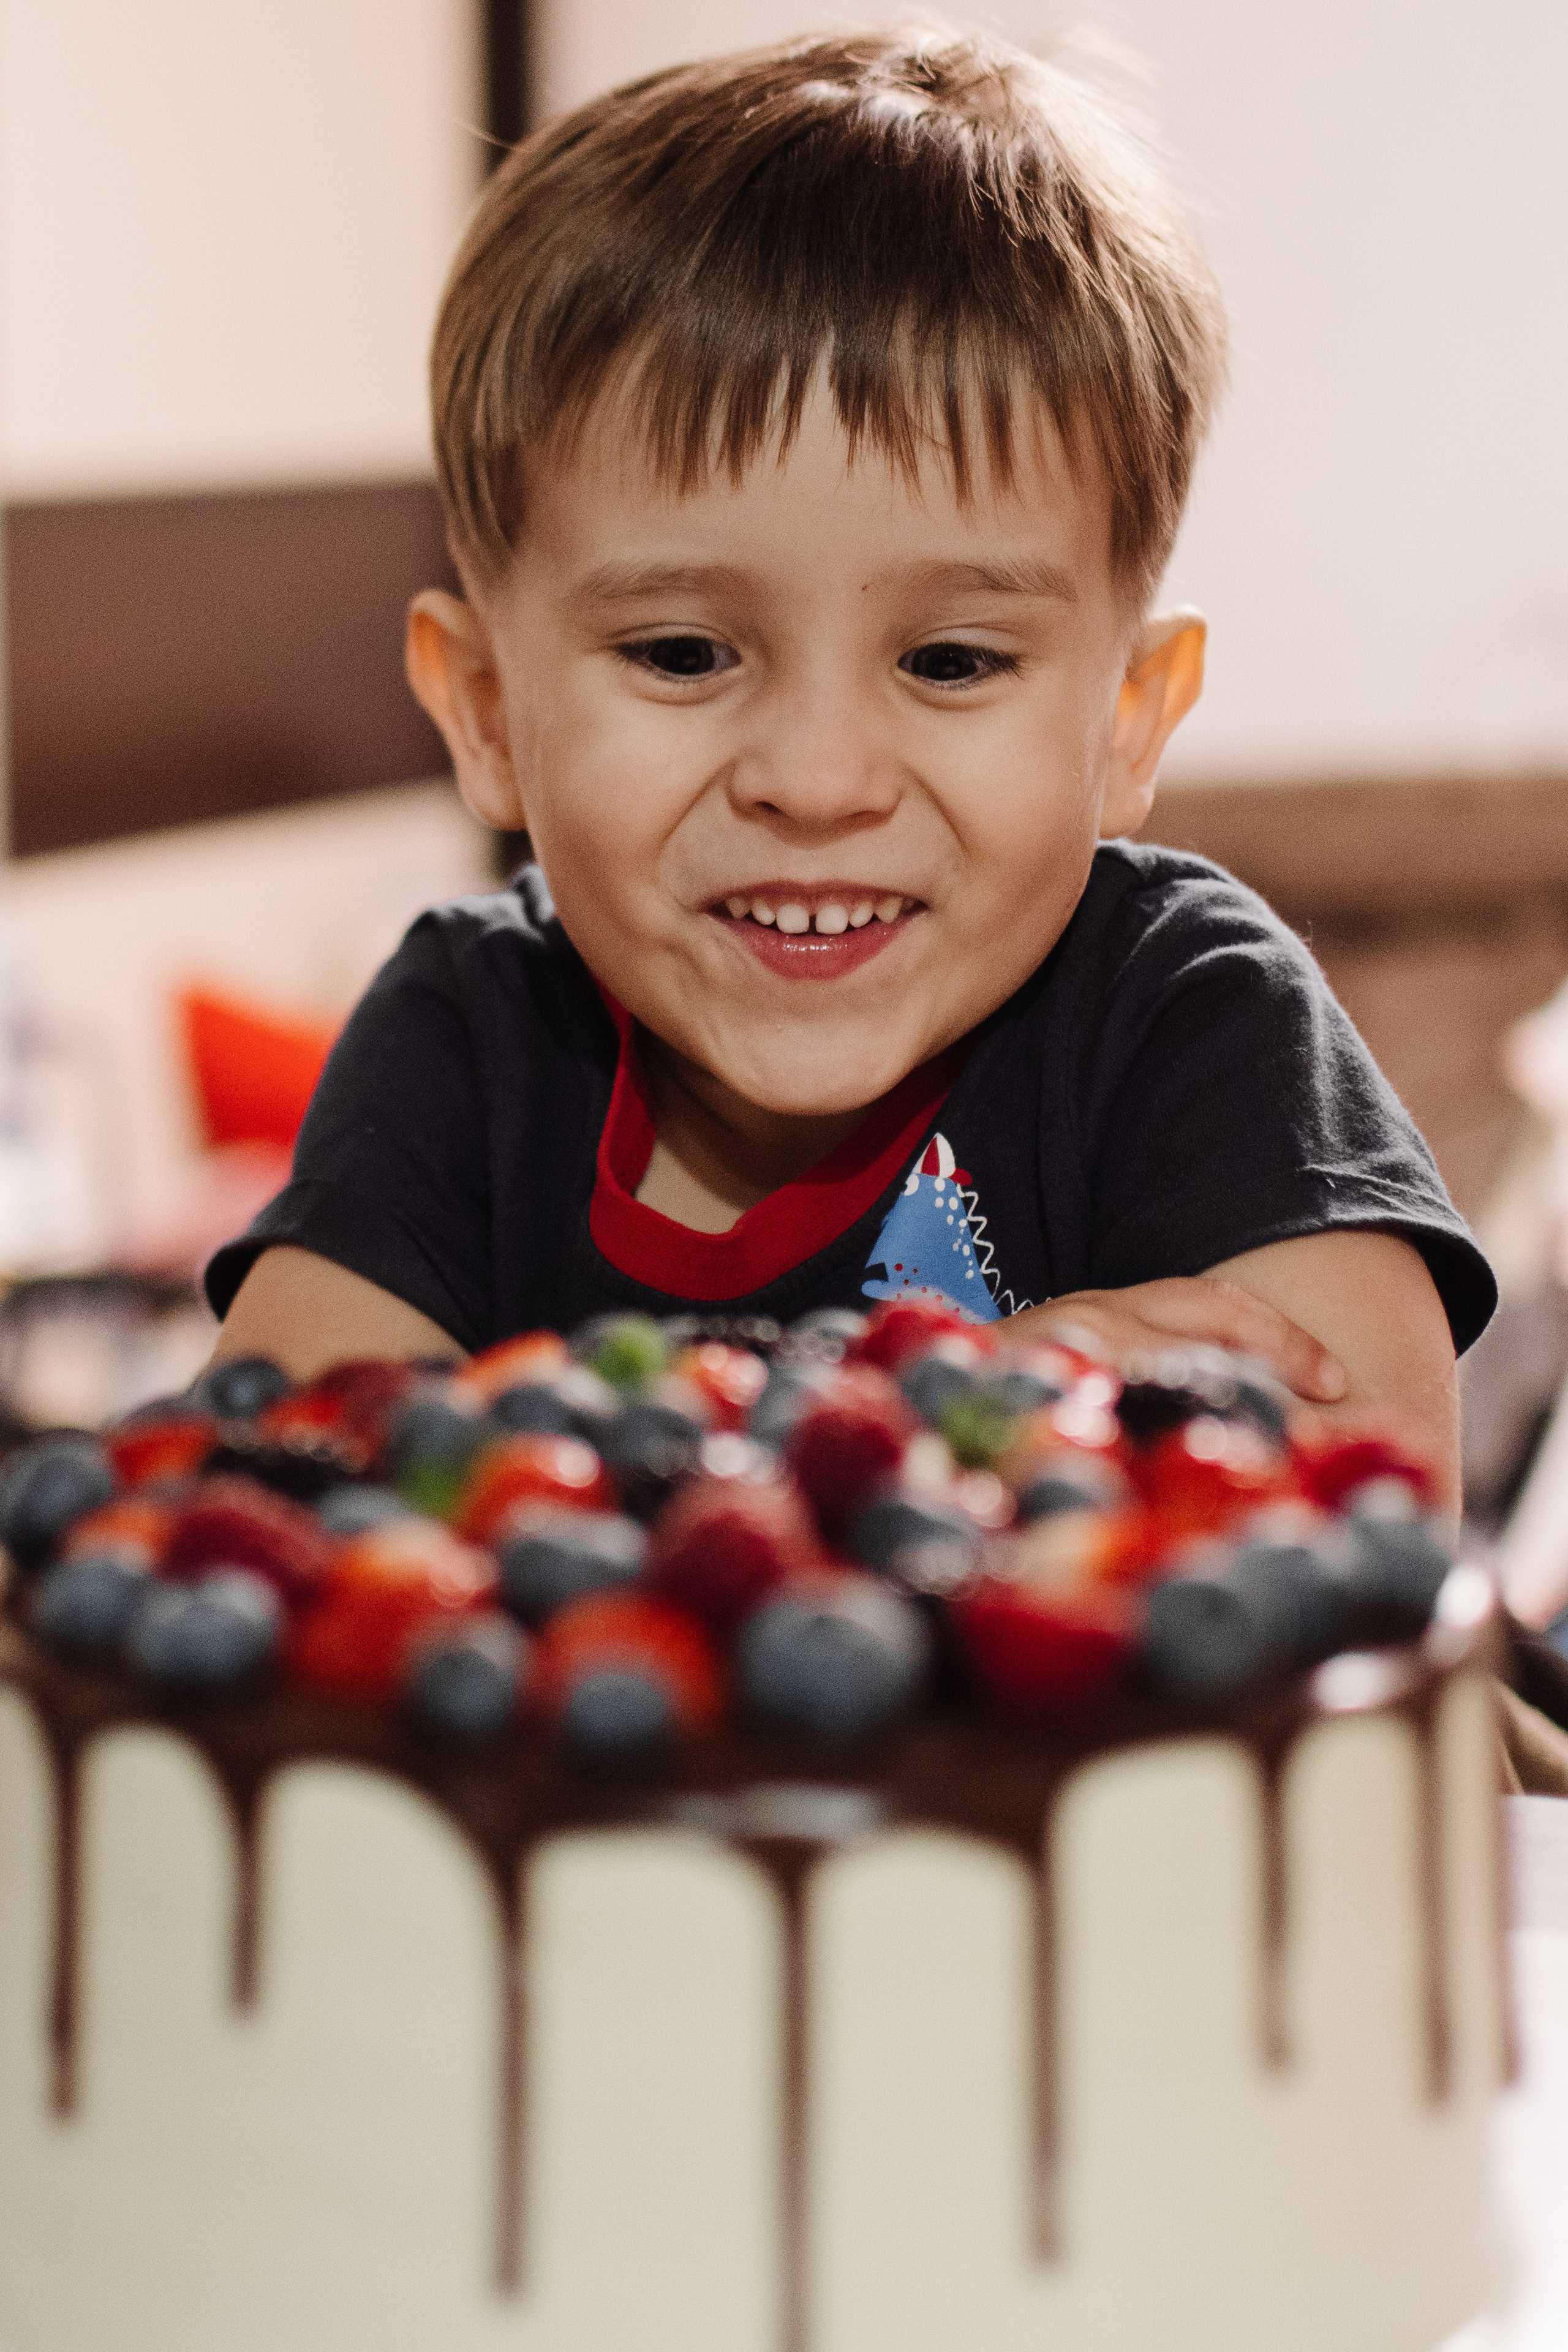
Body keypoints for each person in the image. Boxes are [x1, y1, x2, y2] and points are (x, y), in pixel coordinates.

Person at [205, 25, 1493, 1513]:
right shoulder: (470, 1038)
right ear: (487, 711)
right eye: (682, 654)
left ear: (1130, 719)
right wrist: (957, 1424)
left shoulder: (1184, 1012)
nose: (815, 782)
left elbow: (1377, 1494)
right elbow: (267, 1496)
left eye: (949, 662)